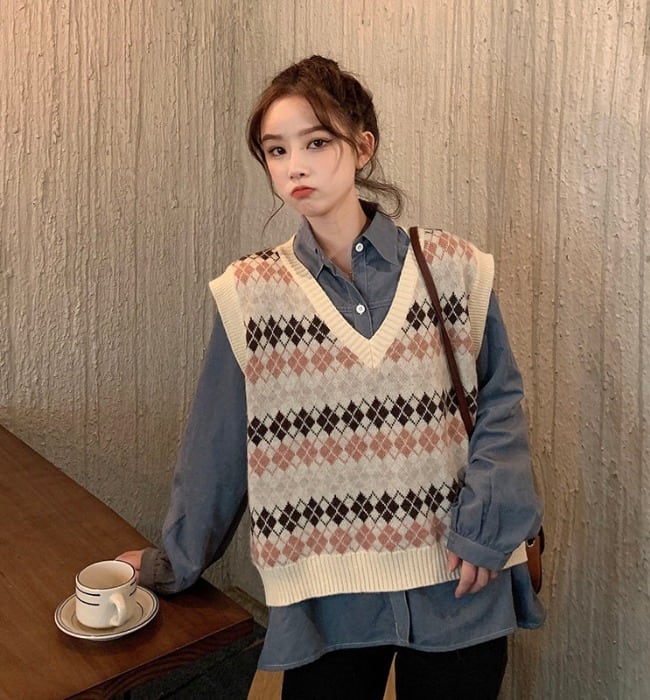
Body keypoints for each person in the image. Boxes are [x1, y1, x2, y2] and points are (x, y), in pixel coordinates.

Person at [119, 55, 544, 700]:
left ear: (362, 147)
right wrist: (174, 562)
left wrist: (487, 530)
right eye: (277, 150)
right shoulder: (250, 295)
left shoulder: (454, 268)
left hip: (461, 577)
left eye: (316, 142)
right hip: (329, 595)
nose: (296, 165)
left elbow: (500, 403)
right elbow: (218, 445)